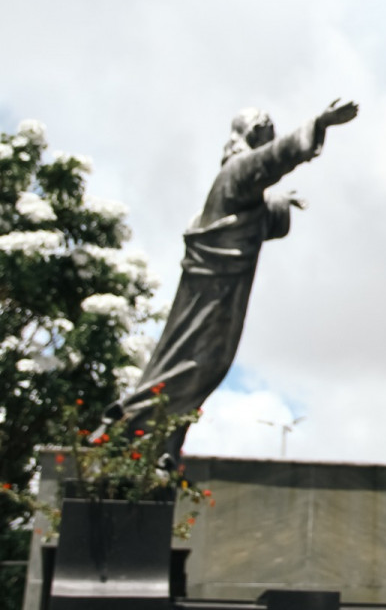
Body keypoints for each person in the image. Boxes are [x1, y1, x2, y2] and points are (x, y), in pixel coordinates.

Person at [100, 99, 358, 461]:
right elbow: (271, 161)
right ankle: (133, 438)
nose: (274, 137)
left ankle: (156, 448)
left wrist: (281, 203)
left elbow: (249, 213)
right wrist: (320, 122)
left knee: (200, 369)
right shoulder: (236, 171)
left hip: (220, 294)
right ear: (256, 132)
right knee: (192, 367)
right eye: (269, 131)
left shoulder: (236, 182)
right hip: (211, 295)